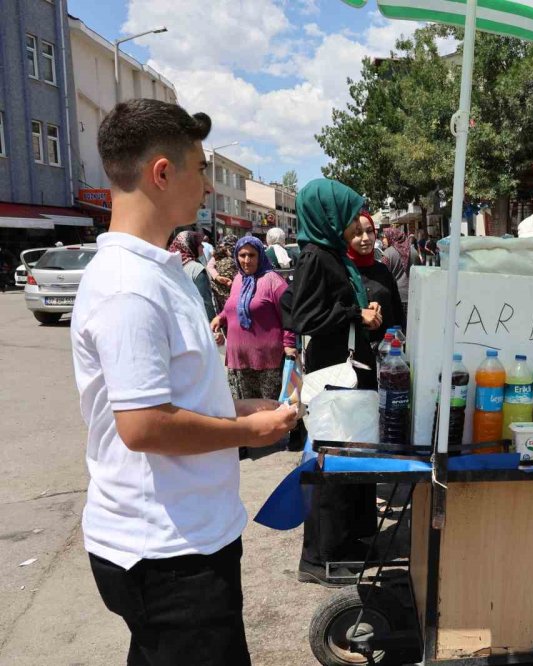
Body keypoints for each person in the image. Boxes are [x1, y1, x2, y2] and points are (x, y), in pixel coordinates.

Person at [69, 98, 297, 665]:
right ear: (162, 173)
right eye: (199, 168)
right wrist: (249, 432)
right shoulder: (129, 285)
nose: (204, 183)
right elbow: (144, 426)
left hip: (184, 540)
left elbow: (179, 393)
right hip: (168, 554)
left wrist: (243, 407)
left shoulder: (156, 270)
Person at [284, 178, 385, 585]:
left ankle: (348, 541)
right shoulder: (314, 257)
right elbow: (303, 317)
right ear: (328, 216)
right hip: (334, 375)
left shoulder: (332, 255)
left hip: (350, 371)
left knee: (352, 458)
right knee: (332, 464)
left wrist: (364, 312)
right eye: (346, 215)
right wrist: (352, 315)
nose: (353, 224)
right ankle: (321, 557)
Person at [211, 236, 296, 401]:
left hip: (268, 362)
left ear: (260, 256)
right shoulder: (238, 279)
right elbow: (234, 305)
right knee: (246, 413)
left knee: (270, 414)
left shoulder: (273, 281)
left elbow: (289, 314)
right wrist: (220, 317)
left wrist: (290, 344)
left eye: (252, 255)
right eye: (242, 255)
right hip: (239, 359)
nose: (246, 260)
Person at [348, 211, 405, 341]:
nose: (366, 238)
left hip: (387, 354)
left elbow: (397, 313)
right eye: (358, 233)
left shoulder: (383, 271)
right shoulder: (340, 271)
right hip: (353, 355)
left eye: (369, 231)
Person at [168, 229, 215, 321]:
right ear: (190, 246)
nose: (203, 247)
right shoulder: (196, 268)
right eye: (199, 244)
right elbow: (206, 302)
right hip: (197, 321)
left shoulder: (170, 266)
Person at [381, 226, 411, 320]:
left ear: (392, 237)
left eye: (385, 237)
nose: (383, 240)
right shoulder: (412, 251)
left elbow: (383, 277)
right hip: (413, 295)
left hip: (397, 297)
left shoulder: (387, 254)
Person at [208, 233, 239, 313]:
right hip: (221, 289)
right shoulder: (220, 254)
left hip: (234, 287)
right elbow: (209, 266)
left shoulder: (239, 253)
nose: (230, 248)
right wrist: (218, 277)